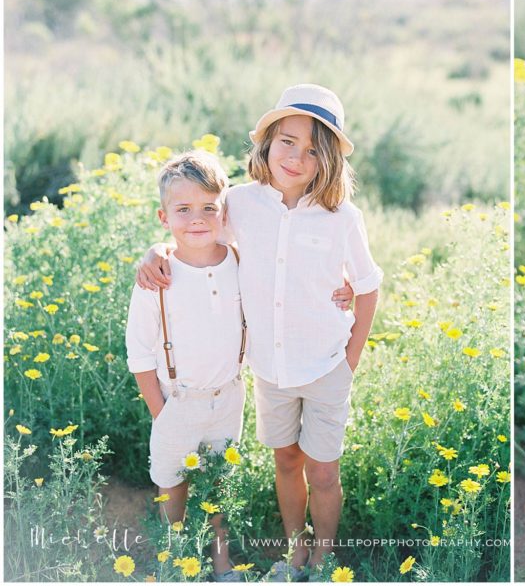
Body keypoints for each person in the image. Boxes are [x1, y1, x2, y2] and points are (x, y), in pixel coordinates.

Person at [138, 84, 381, 580]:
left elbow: (369, 286)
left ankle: (324, 555)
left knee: (324, 471)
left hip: (328, 366)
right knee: (287, 462)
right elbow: (196, 235)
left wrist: (350, 360)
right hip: (270, 370)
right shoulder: (242, 204)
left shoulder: (342, 217)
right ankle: (295, 551)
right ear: (267, 142)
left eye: (314, 149)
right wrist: (157, 253)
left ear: (329, 160)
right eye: (287, 141)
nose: (297, 156)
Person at [126, 150, 245, 581]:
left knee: (218, 486)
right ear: (164, 217)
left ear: (223, 211)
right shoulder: (156, 278)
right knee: (172, 486)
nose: (197, 218)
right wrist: (163, 413)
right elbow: (139, 355)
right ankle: (174, 561)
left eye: (208, 208)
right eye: (183, 209)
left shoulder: (237, 260)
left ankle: (221, 562)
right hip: (177, 401)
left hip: (230, 396)